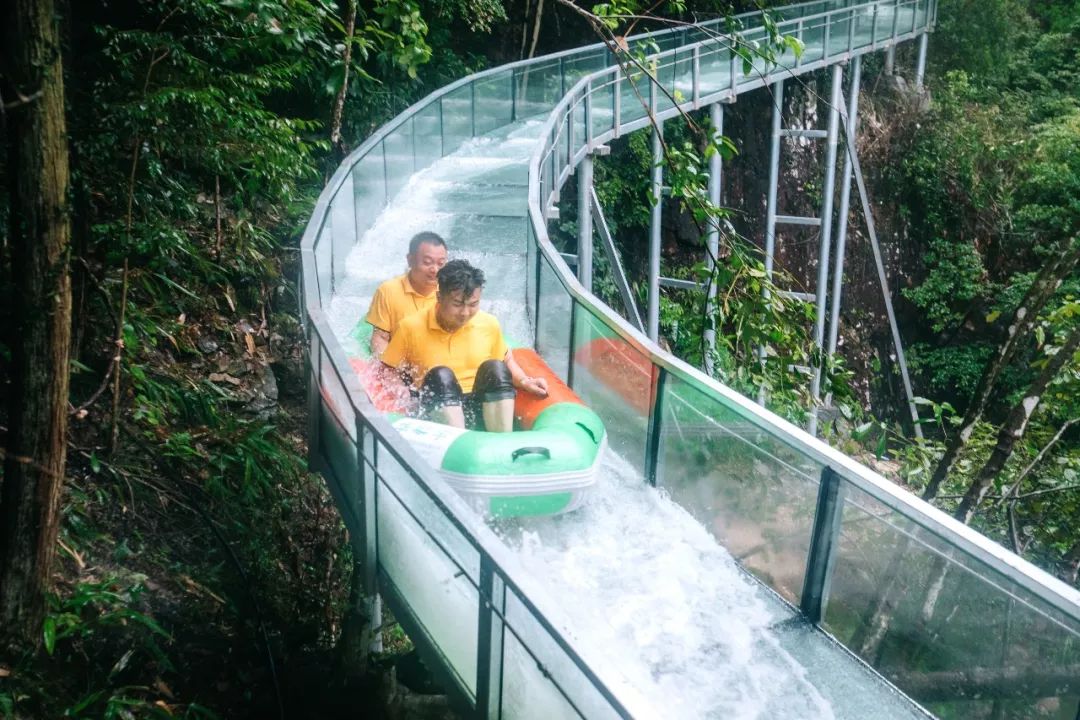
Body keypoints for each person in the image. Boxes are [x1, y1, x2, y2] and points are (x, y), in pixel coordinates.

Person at [381, 260, 548, 431]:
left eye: (473, 304)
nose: (465, 313)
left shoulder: (488, 324)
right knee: (441, 375)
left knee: (495, 368)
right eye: (457, 304)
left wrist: (524, 381)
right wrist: (403, 396)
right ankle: (458, 443)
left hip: (479, 406)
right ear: (439, 297)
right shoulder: (411, 327)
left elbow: (506, 360)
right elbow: (388, 369)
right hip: (437, 407)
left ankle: (501, 440)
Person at [365, 231, 448, 358]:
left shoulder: (449, 292)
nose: (435, 270)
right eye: (427, 262)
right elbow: (380, 339)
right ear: (410, 260)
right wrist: (390, 368)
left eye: (440, 264)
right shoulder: (388, 290)